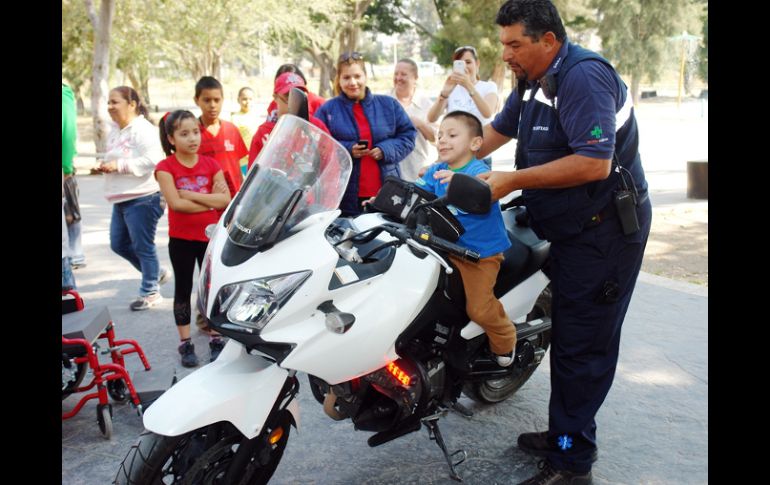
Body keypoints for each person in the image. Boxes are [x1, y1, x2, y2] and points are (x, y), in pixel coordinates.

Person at [470, 2, 653, 483]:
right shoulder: (534, 76)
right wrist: (453, 156)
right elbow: (500, 128)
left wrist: (510, 180)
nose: (505, 54)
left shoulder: (583, 78)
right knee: (564, 331)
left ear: (548, 40)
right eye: (503, 43)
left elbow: (594, 162)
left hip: (605, 233)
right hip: (567, 222)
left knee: (580, 348)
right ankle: (561, 435)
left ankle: (571, 459)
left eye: (515, 44)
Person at [414, 110, 516, 366]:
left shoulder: (480, 171)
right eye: (439, 135)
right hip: (443, 247)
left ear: (475, 143)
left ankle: (505, 339)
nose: (443, 140)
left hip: (479, 254)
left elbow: (484, 190)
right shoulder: (437, 170)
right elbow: (418, 195)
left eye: (452, 135)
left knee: (479, 308)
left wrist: (461, 181)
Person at [156, 110, 232, 366]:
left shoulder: (211, 165)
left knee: (211, 288)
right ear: (171, 138)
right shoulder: (165, 168)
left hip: (209, 237)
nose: (192, 138)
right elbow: (176, 205)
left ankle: (215, 338)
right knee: (184, 288)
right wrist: (208, 200)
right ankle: (185, 343)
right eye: (184, 133)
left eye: (195, 132)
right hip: (182, 240)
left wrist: (189, 195)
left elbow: (225, 200)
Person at [95, 86, 170, 311]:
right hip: (121, 198)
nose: (110, 107)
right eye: (109, 102)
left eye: (115, 101)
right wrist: (106, 166)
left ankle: (150, 291)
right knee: (118, 244)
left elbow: (154, 159)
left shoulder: (143, 130)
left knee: (142, 245)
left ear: (132, 104)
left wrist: (119, 165)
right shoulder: (116, 131)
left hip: (143, 197)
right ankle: (156, 273)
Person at [315, 52, 416, 217]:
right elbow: (318, 145)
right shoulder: (327, 110)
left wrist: (385, 150)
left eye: (357, 76)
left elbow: (409, 136)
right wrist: (348, 149)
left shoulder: (389, 105)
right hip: (344, 193)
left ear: (365, 76)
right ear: (338, 80)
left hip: (387, 192)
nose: (352, 82)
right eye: (346, 77)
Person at [427, 45, 499, 168]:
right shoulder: (452, 89)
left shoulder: (488, 87)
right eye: (460, 63)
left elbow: (487, 112)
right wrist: (444, 93)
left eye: (468, 62)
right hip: (454, 157)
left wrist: (468, 85)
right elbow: (432, 118)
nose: (465, 66)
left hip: (480, 156)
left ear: (477, 63)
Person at [248, 72, 331, 169]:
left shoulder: (317, 127)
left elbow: (331, 164)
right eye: (288, 96)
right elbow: (253, 173)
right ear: (275, 97)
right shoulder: (264, 133)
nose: (294, 101)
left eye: (299, 95)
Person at [194, 76, 249, 197]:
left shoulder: (232, 129)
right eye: (207, 100)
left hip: (234, 198)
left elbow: (237, 166)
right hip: (207, 200)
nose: (212, 105)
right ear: (196, 100)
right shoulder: (193, 134)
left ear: (222, 100)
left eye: (216, 100)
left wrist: (242, 193)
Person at [388, 59, 438, 182]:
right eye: (396, 74)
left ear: (415, 77)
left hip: (419, 173)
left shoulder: (428, 105)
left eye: (403, 74)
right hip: (391, 173)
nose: (398, 78)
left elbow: (436, 138)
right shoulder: (383, 102)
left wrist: (419, 123)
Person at [62, 83, 85, 269]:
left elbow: (68, 131)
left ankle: (75, 253)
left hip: (63, 169)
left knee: (70, 211)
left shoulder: (63, 92)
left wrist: (66, 166)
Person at [230, 87, 260, 176]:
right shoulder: (234, 118)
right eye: (244, 99)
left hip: (257, 158)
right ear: (238, 100)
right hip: (243, 161)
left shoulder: (256, 116)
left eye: (250, 99)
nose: (247, 102)